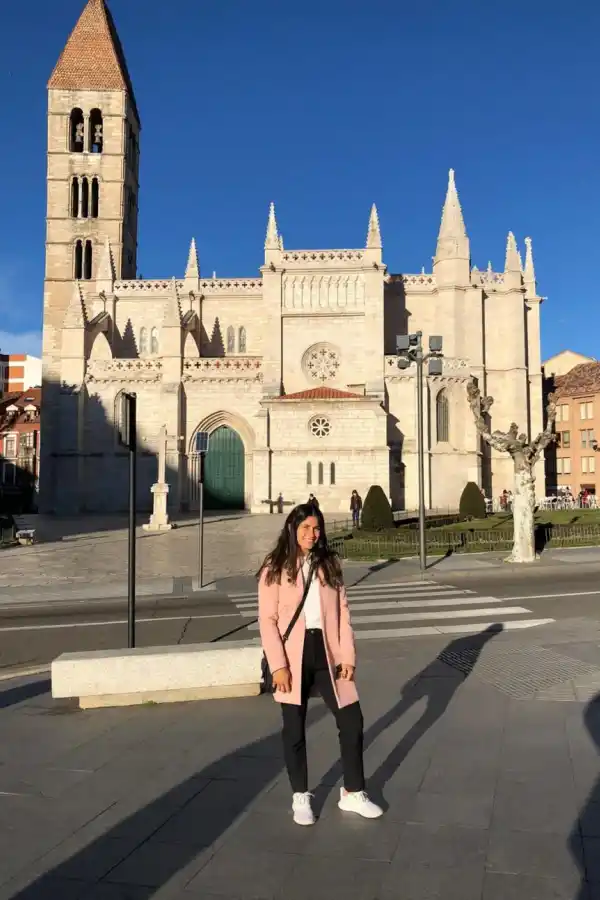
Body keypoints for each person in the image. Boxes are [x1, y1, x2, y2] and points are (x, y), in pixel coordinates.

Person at [258, 503, 383, 826]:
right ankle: (301, 795)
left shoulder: (329, 565)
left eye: (316, 529)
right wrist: (278, 665)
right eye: (305, 529)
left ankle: (353, 792)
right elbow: (267, 621)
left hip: (326, 652)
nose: (312, 535)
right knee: (294, 728)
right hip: (292, 654)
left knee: (352, 720)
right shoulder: (275, 567)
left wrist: (348, 657)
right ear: (292, 529)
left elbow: (343, 616)